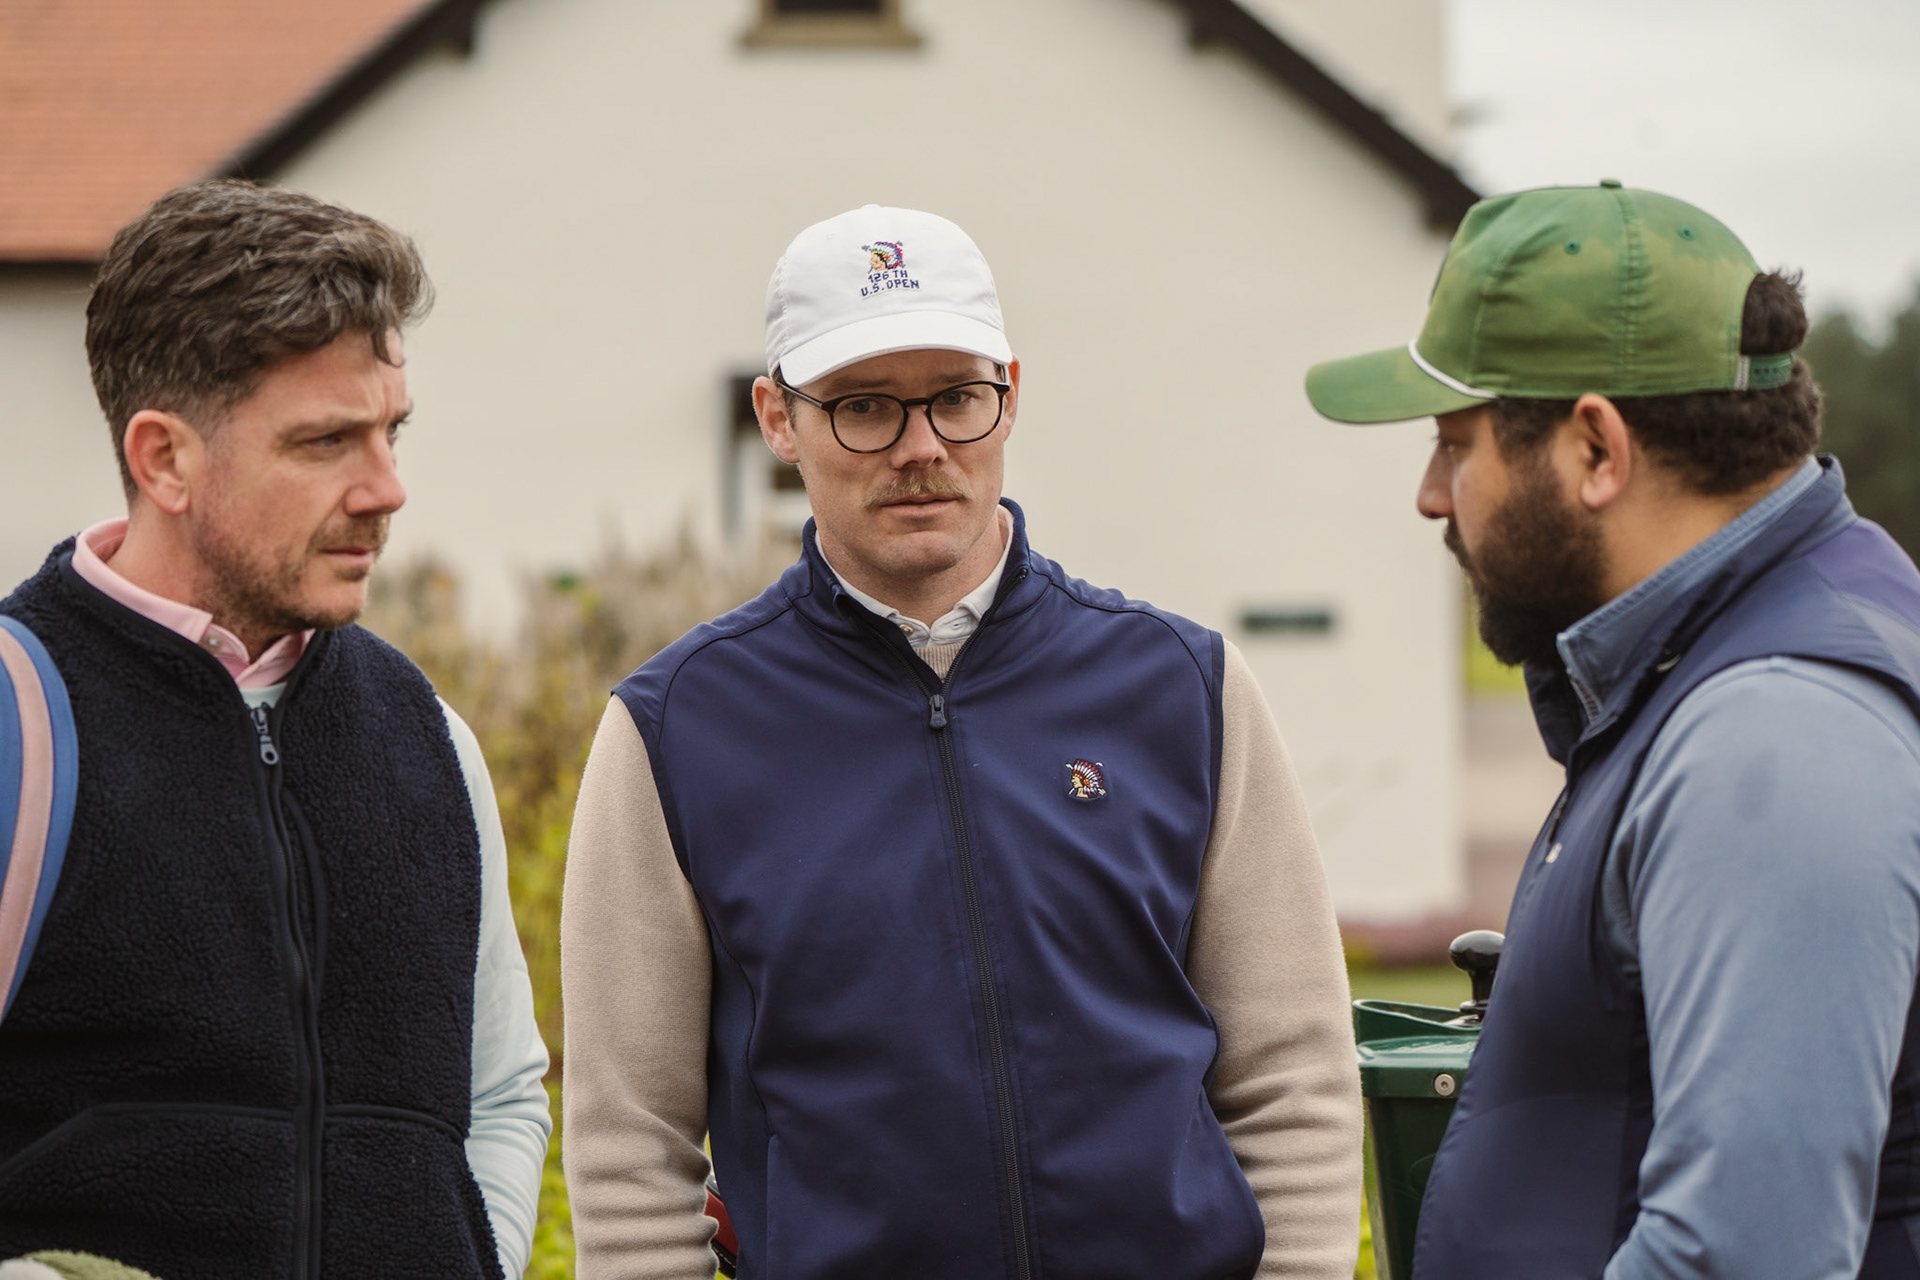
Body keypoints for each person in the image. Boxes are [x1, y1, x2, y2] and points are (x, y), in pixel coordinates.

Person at [561, 204, 1362, 1278]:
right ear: (777, 418)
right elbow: (630, 1143)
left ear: (1010, 396)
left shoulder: (1183, 687)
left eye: (956, 397)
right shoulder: (675, 730)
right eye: (864, 407)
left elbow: (1292, 1077)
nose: (922, 446)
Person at [1306, 181, 1920, 1278]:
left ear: (1597, 448)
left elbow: (1736, 1258)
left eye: (1455, 443)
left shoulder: (1775, 732)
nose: (1432, 495)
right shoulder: (1724, 662)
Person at [0, 180, 551, 1279]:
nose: (386, 488)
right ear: (164, 458)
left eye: (391, 432)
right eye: (326, 441)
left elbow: (498, 1092)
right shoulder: (16, 720)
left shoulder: (429, 737)